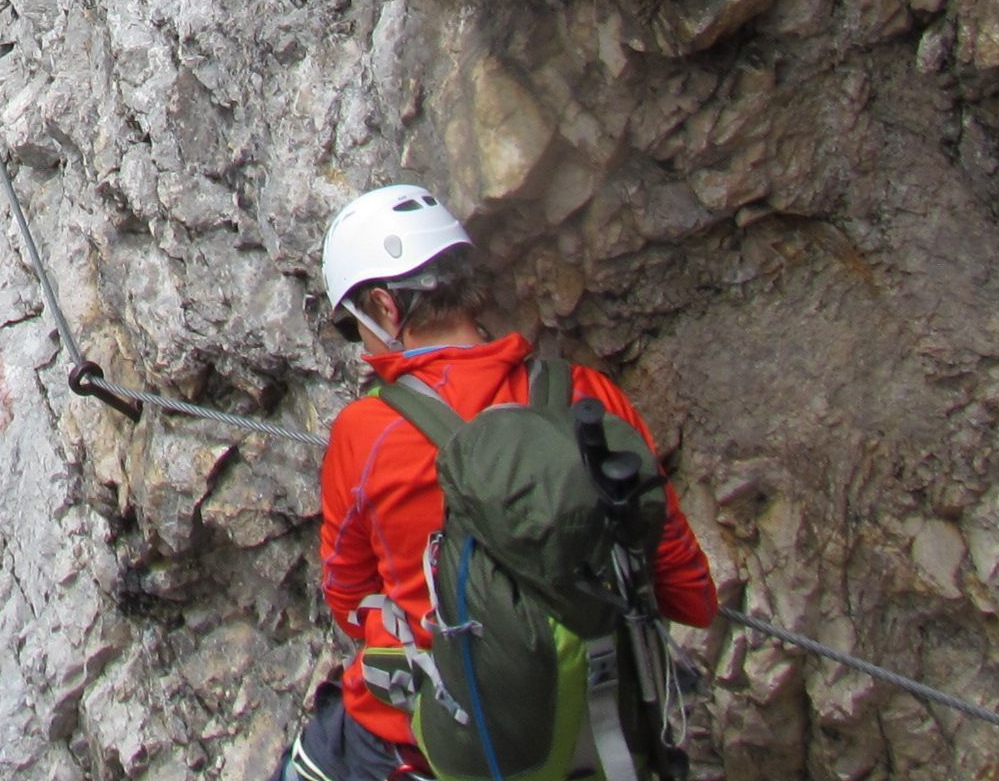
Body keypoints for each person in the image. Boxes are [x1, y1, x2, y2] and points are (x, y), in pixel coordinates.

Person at [279, 185, 717, 781]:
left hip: (432, 742)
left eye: (356, 328)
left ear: (385, 307)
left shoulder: (367, 431)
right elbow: (691, 596)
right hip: (595, 737)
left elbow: (348, 600)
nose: (364, 349)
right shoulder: (589, 398)